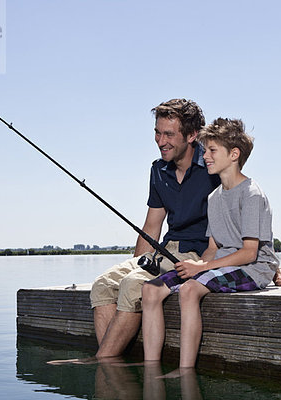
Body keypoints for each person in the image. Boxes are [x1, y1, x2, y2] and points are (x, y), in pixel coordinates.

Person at [141, 118, 281, 373]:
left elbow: (249, 252)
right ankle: (150, 368)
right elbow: (213, 247)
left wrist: (203, 270)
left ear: (234, 154)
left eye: (212, 151)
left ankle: (185, 370)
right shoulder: (214, 197)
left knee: (190, 290)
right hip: (222, 263)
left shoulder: (251, 194)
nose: (206, 156)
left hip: (253, 268)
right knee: (150, 290)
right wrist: (196, 265)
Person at [88, 98, 221, 360]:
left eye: (169, 134)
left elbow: (243, 211)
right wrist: (139, 263)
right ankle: (112, 361)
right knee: (102, 285)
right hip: (163, 252)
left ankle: (103, 363)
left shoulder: (214, 165)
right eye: (157, 133)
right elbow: (152, 225)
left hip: (195, 255)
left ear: (192, 135)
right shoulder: (158, 170)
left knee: (132, 285)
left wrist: (271, 267)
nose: (161, 141)